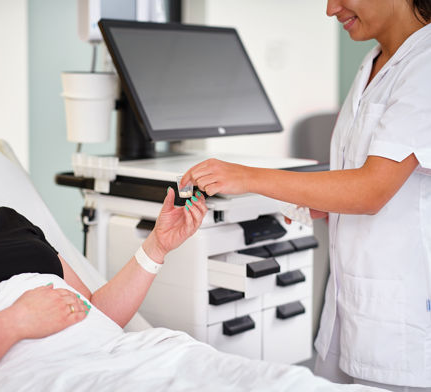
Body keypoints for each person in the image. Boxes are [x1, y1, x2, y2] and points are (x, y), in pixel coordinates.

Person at [181, 0, 431, 390]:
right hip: (351, 311)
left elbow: (371, 189)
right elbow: (368, 179)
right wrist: (327, 200)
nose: (330, 9)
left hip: (403, 326)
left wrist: (247, 177)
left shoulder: (425, 63)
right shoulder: (373, 62)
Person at [0, 88, 207, 391]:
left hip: (104, 363)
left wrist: (157, 245)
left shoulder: (10, 221)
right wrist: (16, 322)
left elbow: (94, 312)